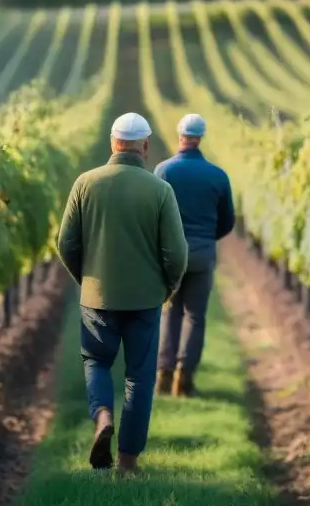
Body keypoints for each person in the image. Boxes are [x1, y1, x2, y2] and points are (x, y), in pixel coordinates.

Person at [56, 112, 189, 475]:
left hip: (97, 297)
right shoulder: (160, 190)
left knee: (96, 362)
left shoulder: (86, 183)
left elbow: (66, 242)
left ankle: (102, 417)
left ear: (112, 143)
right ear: (145, 146)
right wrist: (168, 286)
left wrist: (86, 278)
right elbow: (176, 253)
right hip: (145, 299)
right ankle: (128, 463)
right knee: (139, 377)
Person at [153, 113, 235, 398]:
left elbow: (155, 216)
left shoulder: (163, 171)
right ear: (201, 137)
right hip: (202, 253)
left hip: (171, 256)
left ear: (180, 135)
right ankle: (184, 379)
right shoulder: (217, 175)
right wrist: (206, 239)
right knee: (195, 316)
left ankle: (163, 375)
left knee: (170, 311)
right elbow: (228, 221)